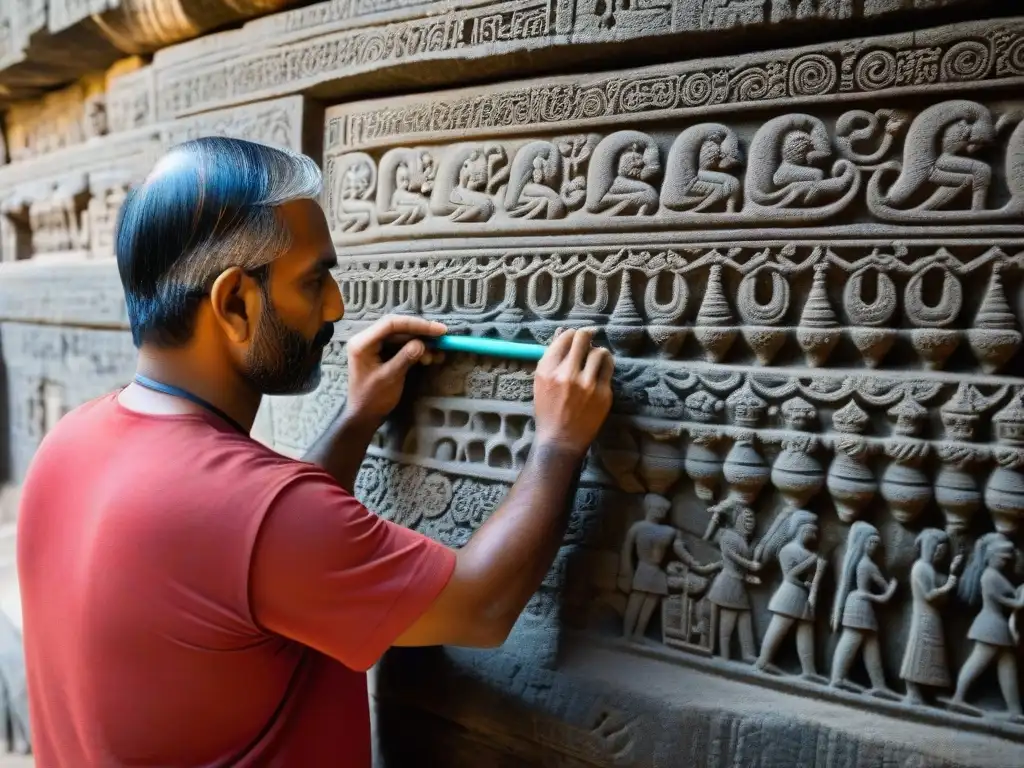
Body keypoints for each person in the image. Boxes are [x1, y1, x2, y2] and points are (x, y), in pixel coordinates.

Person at [16, 137, 614, 767]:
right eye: (313, 279)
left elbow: (253, 565)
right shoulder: (255, 512)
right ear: (234, 303)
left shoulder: (68, 445)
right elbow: (482, 605)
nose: (336, 305)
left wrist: (357, 417)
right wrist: (558, 440)